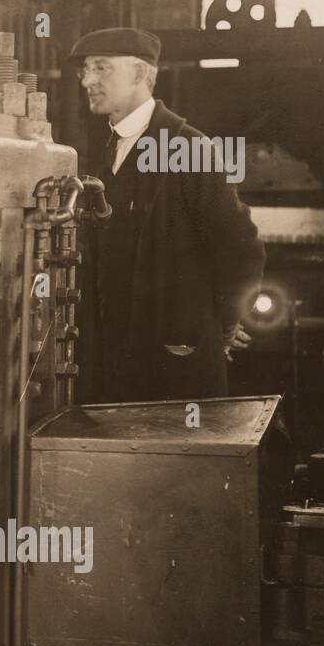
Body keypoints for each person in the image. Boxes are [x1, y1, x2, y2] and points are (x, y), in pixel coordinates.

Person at [70, 27, 264, 403]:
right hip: (111, 366)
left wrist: (214, 328)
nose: (88, 80)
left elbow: (241, 249)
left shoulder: (188, 146)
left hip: (173, 369)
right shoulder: (103, 149)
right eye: (85, 70)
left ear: (141, 74)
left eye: (102, 68)